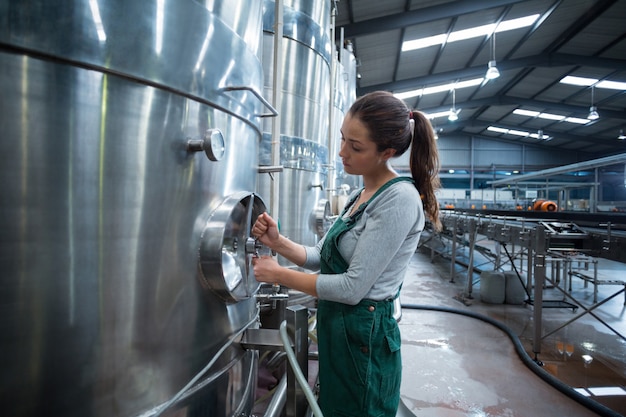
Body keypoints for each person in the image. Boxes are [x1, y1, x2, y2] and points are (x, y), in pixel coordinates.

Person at [251, 90, 441, 417]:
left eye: (355, 147)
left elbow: (352, 288)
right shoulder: (361, 193)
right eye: (342, 139)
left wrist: (279, 274)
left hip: (364, 333)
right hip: (340, 329)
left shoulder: (398, 200)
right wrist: (278, 243)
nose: (341, 152)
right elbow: (322, 255)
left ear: (388, 152)